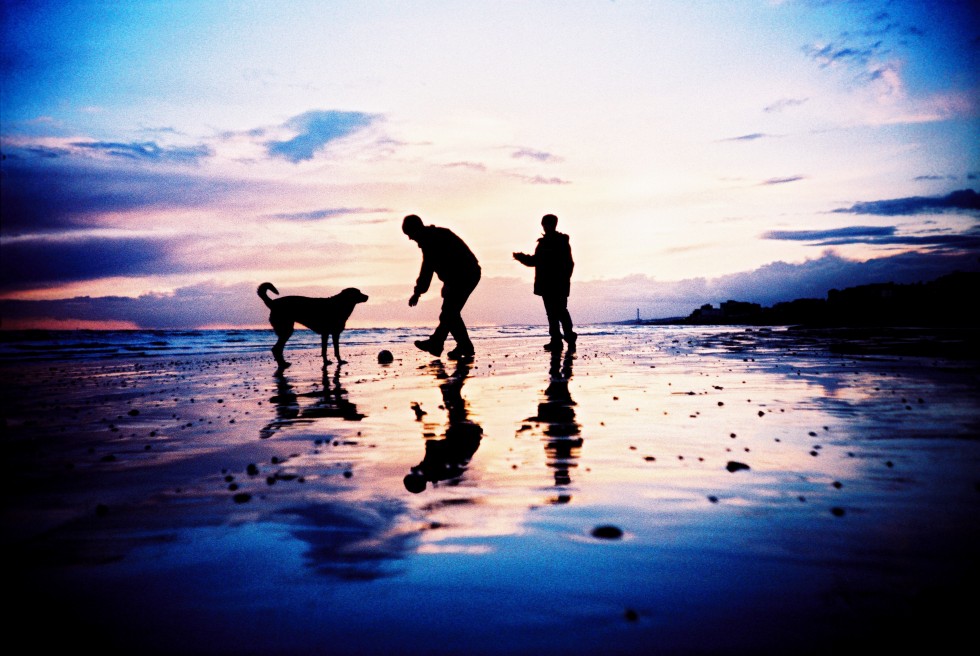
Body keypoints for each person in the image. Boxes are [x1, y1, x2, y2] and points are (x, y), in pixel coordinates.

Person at [403, 214, 481, 359]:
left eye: (410, 234)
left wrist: (449, 283)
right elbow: (429, 269)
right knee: (450, 314)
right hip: (463, 275)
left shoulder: (434, 240)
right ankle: (459, 346)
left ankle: (441, 344)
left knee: (449, 313)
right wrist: (420, 292)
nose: (410, 238)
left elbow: (449, 262)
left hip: (466, 274)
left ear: (416, 229)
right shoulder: (431, 238)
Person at [513, 213, 576, 351]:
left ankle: (569, 336)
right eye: (544, 224)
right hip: (546, 285)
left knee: (560, 311)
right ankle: (556, 340)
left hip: (557, 284)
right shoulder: (543, 243)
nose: (546, 226)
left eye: (548, 224)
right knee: (552, 313)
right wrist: (521, 257)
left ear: (553, 225)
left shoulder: (561, 241)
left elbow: (569, 264)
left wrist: (564, 280)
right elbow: (535, 261)